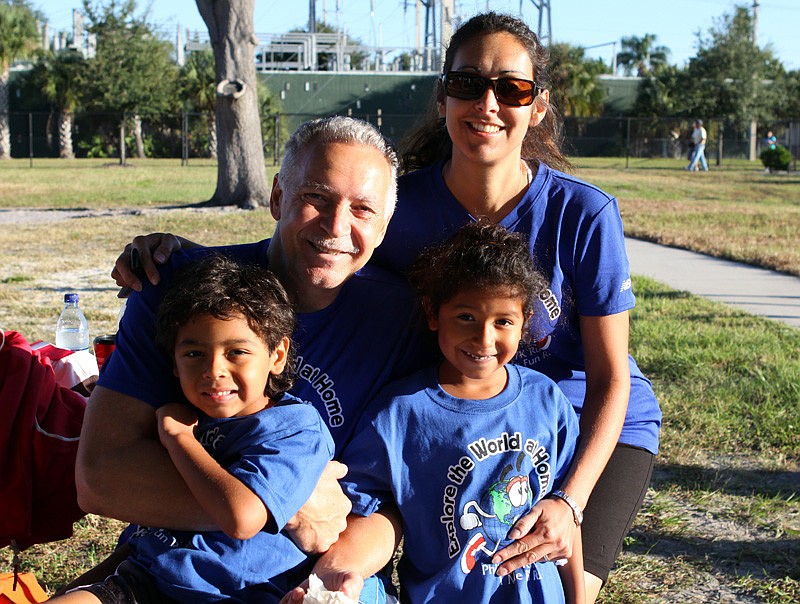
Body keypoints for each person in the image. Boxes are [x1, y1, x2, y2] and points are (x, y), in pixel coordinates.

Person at [112, 12, 662, 602]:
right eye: (468, 84)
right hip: (458, 421)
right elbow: (322, 248)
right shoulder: (403, 211)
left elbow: (611, 380)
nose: (487, 103)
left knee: (564, 590)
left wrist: (569, 499)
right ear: (444, 93)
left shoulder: (583, 214)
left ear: (539, 105)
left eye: (512, 88)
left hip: (582, 424)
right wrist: (177, 257)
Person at [76, 117, 431, 581]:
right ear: (278, 197)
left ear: (385, 226)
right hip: (169, 564)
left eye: (362, 209)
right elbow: (100, 476)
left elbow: (394, 499)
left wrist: (336, 577)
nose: (336, 225)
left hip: (313, 572)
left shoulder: (404, 321)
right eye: (315, 198)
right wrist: (279, 502)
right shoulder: (177, 286)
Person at [283, 221, 585, 604]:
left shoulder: (547, 401)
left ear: (525, 320)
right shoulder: (397, 414)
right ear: (432, 313)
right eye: (466, 317)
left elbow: (566, 523)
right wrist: (333, 576)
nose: (484, 338)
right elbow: (363, 514)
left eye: (503, 321)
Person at [54, 254, 356, 603]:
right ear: (173, 362)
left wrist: (179, 439)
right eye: (195, 354)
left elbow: (242, 517)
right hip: (144, 579)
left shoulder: (294, 430)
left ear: (277, 356)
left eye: (237, 352)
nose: (214, 370)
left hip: (232, 593)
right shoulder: (192, 412)